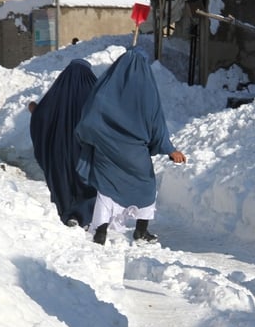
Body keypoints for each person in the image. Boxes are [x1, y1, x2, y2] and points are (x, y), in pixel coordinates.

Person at [76, 47, 186, 245]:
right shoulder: (146, 91)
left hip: (106, 150)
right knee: (146, 188)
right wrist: (169, 149)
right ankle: (141, 231)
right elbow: (156, 124)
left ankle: (100, 231)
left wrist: (95, 138)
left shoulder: (105, 87)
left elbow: (88, 120)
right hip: (135, 153)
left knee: (106, 189)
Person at [30, 59, 98, 228]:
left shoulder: (58, 91)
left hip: (60, 148)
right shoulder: (95, 91)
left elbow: (43, 115)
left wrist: (35, 110)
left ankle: (68, 213)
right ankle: (86, 213)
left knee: (63, 178)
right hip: (86, 149)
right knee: (87, 180)